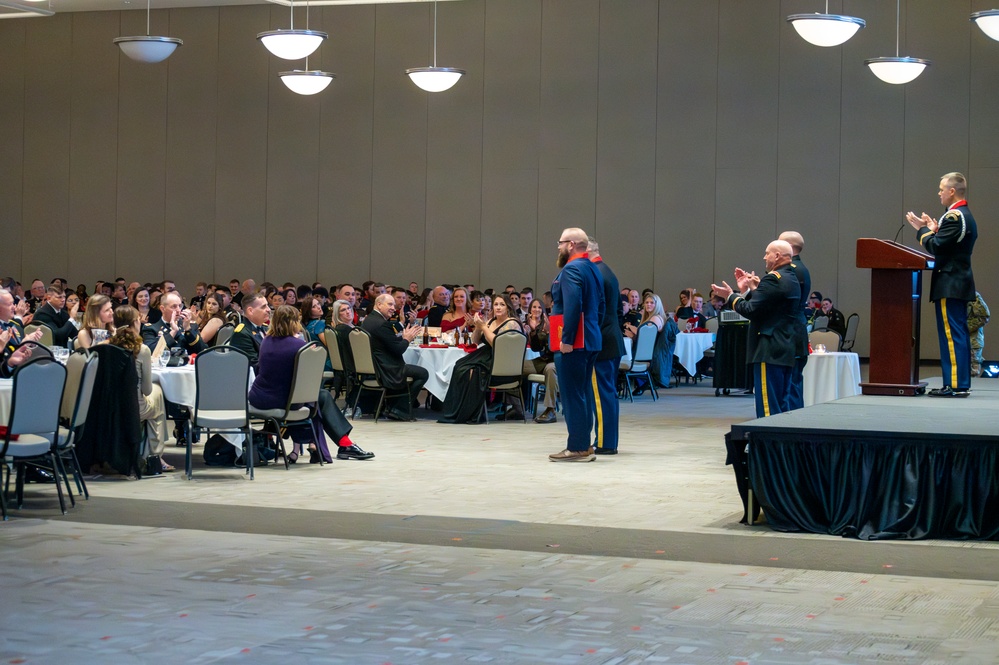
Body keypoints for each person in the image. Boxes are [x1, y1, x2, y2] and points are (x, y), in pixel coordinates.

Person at [248, 305, 374, 463]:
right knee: (320, 397)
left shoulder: (266, 341)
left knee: (317, 398)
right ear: (295, 322)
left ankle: (326, 445)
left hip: (258, 396)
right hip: (281, 400)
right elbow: (309, 381)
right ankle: (340, 444)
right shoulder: (299, 346)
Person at [712, 239, 804, 418]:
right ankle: (778, 445)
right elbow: (770, 308)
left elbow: (751, 310)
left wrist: (730, 296)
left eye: (767, 253)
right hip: (784, 348)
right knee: (782, 405)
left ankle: (767, 445)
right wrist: (749, 291)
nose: (764, 257)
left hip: (768, 349)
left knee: (768, 407)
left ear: (777, 256)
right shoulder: (790, 277)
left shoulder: (773, 279)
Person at [905, 172, 978, 397]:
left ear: (952, 191)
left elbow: (936, 247)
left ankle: (955, 385)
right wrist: (934, 229)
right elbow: (947, 244)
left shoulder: (955, 216)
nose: (939, 193)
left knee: (951, 334)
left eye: (941, 189)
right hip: (956, 281)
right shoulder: (961, 215)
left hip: (950, 282)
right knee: (957, 333)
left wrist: (922, 230)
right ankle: (957, 383)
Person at [548, 227, 604, 462]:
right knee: (581, 394)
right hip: (591, 339)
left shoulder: (571, 269)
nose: (558, 247)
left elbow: (573, 306)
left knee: (572, 396)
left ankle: (578, 447)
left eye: (560, 243)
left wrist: (567, 340)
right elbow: (600, 306)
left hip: (574, 342)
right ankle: (585, 444)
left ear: (571, 244)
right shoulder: (593, 268)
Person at [438, 294, 523, 424]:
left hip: (499, 359)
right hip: (484, 355)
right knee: (459, 366)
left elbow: (498, 344)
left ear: (508, 307)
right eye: (496, 304)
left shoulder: (512, 323)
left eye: (502, 305)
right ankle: (458, 411)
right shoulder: (490, 321)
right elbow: (475, 341)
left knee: (472, 371)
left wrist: (483, 327)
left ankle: (472, 413)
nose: (498, 307)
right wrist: (478, 327)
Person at [110, 306, 171, 471]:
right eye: (138, 320)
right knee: (157, 395)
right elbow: (146, 390)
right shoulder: (141, 350)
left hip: (110, 405)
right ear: (133, 324)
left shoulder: (106, 346)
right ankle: (154, 457)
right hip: (133, 406)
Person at [360, 294, 427, 421]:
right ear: (379, 304)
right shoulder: (382, 324)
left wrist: (402, 337)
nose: (393, 308)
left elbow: (388, 342)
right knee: (423, 373)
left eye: (393, 305)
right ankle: (400, 409)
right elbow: (398, 350)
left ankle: (394, 406)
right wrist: (407, 339)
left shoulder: (369, 320)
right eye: (389, 304)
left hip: (376, 366)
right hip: (387, 368)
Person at [588, 239, 626, 454]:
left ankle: (604, 443)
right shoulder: (607, 272)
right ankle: (608, 440)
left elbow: (597, 313)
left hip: (601, 342)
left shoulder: (596, 274)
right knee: (608, 394)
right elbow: (618, 311)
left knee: (601, 396)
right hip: (611, 339)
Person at [779, 230, 811, 411]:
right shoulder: (799, 268)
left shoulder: (792, 271)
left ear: (789, 248)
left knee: (791, 386)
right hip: (796, 330)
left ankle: (792, 426)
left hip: (790, 333)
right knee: (793, 383)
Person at [627, 293, 678, 391]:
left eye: (652, 303)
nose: (648, 305)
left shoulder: (655, 318)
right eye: (646, 302)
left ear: (657, 305)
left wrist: (633, 329)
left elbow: (646, 337)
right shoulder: (651, 317)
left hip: (648, 354)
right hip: (649, 352)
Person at [522, 299, 558, 423]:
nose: (536, 310)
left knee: (551, 369)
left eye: (539, 307)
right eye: (534, 307)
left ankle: (550, 410)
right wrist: (532, 331)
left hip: (558, 361)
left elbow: (557, 348)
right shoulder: (536, 322)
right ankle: (518, 406)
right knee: (518, 367)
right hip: (543, 360)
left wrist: (548, 332)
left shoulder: (560, 322)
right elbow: (536, 348)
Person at [228, 293, 270, 369]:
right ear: (250, 311)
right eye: (263, 307)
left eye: (267, 305)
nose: (268, 309)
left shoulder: (265, 328)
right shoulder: (241, 334)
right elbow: (253, 366)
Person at [968, 292, 990, 377]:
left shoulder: (973, 295)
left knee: (973, 372)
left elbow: (984, 316)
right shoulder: (952, 295)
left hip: (973, 341)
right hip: (958, 340)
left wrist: (965, 328)